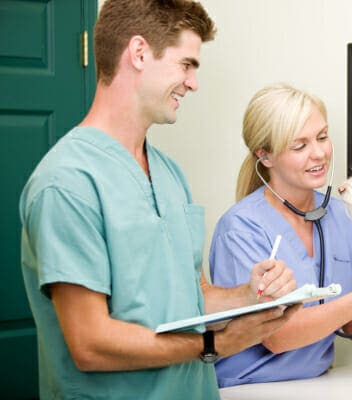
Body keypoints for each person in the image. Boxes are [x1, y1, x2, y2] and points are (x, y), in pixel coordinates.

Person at [19, 2, 299, 399]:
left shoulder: (169, 173)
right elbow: (90, 343)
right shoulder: (66, 184)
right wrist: (214, 345)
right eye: (186, 64)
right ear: (138, 53)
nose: (193, 83)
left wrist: (249, 295)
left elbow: (190, 293)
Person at [209, 83, 352, 387]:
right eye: (299, 146)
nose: (319, 154)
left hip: (316, 385)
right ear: (265, 156)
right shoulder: (241, 228)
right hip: (249, 389)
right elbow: (277, 337)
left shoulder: (346, 218)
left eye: (322, 137)